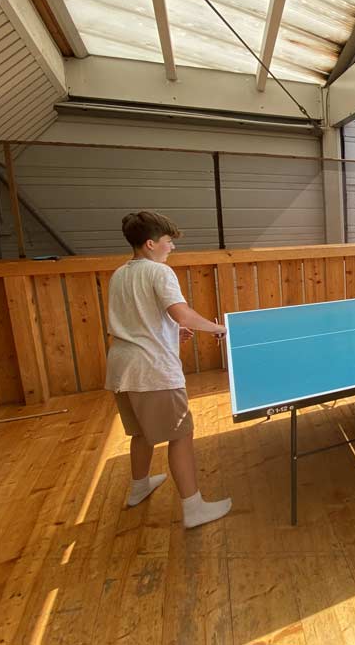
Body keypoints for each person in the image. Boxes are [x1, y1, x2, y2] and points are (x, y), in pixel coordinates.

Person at [104, 211, 232, 529]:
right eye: (167, 241)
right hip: (153, 371)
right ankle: (194, 507)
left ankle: (139, 487)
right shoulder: (159, 273)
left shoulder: (120, 274)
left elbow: (140, 320)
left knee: (141, 433)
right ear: (150, 244)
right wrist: (216, 329)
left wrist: (172, 334)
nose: (171, 247)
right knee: (182, 435)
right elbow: (182, 314)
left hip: (122, 368)